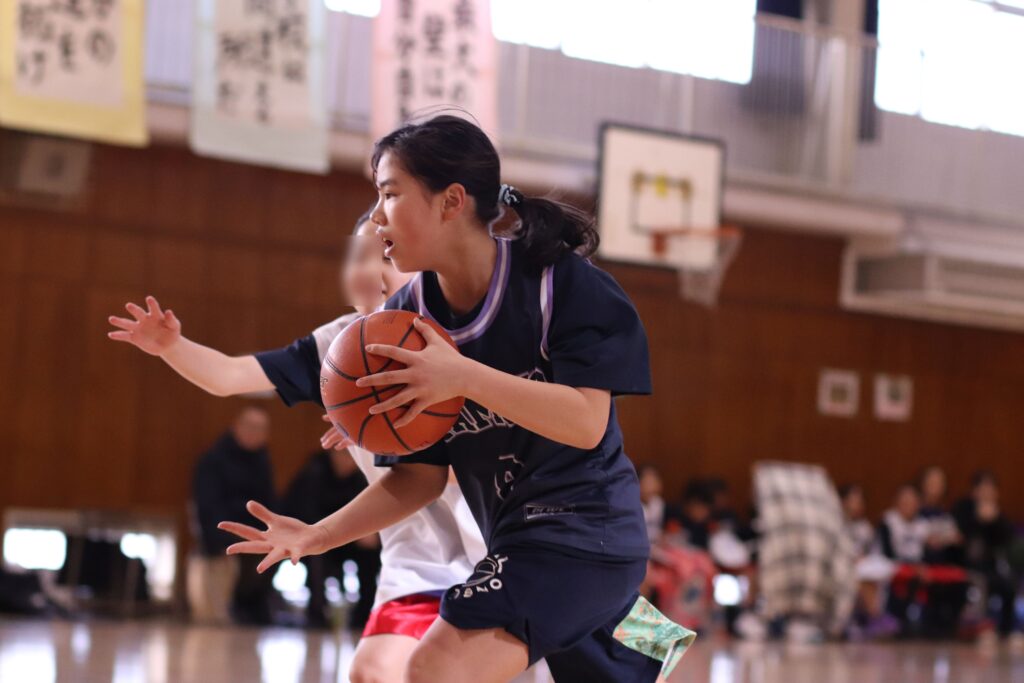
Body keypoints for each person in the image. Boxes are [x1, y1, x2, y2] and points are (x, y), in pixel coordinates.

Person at [217, 115, 694, 683]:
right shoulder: (403, 322)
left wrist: (463, 376)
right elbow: (417, 477)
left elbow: (588, 423)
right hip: (511, 540)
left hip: (584, 531)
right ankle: (645, 646)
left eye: (390, 194)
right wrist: (319, 535)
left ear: (451, 201)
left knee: (433, 668)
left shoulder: (557, 284)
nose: (376, 217)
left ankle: (633, 636)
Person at [108, 209, 501, 683]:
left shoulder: (457, 341)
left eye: (386, 255)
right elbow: (229, 376)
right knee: (373, 672)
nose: (368, 268)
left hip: (495, 549)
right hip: (416, 558)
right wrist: (173, 347)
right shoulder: (336, 345)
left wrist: (387, 432)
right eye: (358, 255)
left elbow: (476, 464)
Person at [190, 407, 277, 625]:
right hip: (221, 530)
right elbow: (207, 505)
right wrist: (217, 539)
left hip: (253, 530)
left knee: (275, 552)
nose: (254, 433)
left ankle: (250, 607)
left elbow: (269, 502)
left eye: (260, 429)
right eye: (250, 427)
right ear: (236, 427)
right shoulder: (214, 459)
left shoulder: (262, 461)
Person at [281, 448, 380, 630]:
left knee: (370, 551)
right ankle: (317, 613)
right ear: (332, 454)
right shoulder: (314, 473)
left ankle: (364, 613)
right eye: (343, 455)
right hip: (312, 536)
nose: (348, 461)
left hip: (344, 539)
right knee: (316, 557)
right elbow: (305, 515)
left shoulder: (360, 478)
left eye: (351, 457)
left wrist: (365, 532)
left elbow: (367, 513)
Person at [952, 470, 1020, 639]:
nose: (987, 494)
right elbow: (959, 536)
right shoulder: (963, 509)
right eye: (983, 489)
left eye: (991, 490)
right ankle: (975, 628)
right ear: (974, 491)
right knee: (979, 584)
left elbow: (1007, 541)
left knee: (1008, 586)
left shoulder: (998, 515)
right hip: (964, 564)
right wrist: (979, 519)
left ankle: (1005, 630)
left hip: (989, 567)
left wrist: (994, 521)